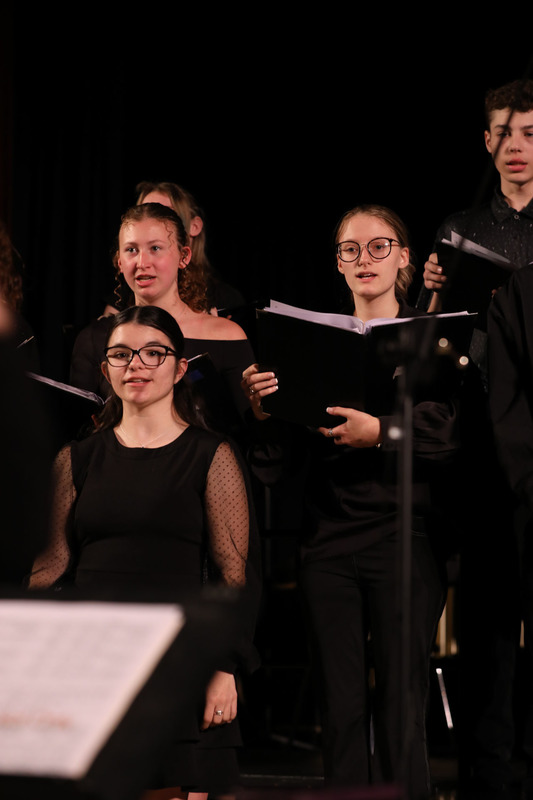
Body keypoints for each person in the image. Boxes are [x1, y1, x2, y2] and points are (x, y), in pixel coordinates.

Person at [242, 205, 460, 799]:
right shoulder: (314, 342)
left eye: (377, 246)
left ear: (405, 257)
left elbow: (449, 436)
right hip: (328, 540)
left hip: (404, 538)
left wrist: (382, 432)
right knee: (339, 711)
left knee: (398, 707)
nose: (363, 260)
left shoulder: (431, 337)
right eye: (349, 250)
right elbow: (276, 462)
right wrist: (265, 410)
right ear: (337, 264)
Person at [29, 304, 258, 800]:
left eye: (154, 353)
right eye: (121, 354)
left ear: (179, 369)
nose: (136, 363)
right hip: (95, 664)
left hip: (182, 663)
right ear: (106, 369)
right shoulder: (76, 458)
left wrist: (224, 667)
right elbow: (49, 567)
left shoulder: (211, 454)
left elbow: (232, 573)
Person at [419, 78, 533, 795]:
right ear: (483, 141)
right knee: (486, 617)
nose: (514, 147)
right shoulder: (460, 227)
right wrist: (430, 289)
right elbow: (429, 346)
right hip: (481, 448)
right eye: (501, 133)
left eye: (527, 133)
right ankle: (487, 772)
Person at [70, 203, 254, 436]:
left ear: (184, 256)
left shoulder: (227, 334)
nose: (142, 263)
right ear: (119, 262)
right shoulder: (95, 338)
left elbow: (251, 431)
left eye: (155, 248)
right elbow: (78, 429)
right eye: (131, 250)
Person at [103, 181, 245, 316]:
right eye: (144, 210)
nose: (150, 220)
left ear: (194, 226)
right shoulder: (126, 290)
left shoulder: (223, 296)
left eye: (164, 213)